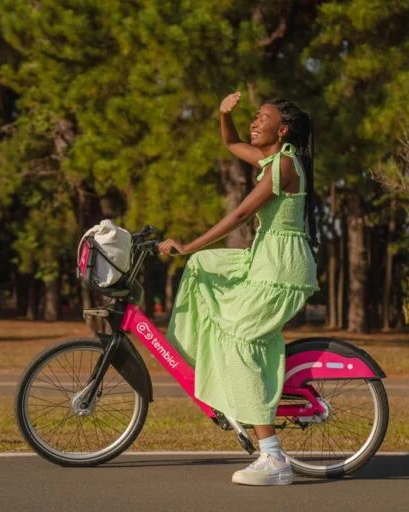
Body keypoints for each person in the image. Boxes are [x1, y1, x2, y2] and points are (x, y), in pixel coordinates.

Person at [158, 91, 319, 486]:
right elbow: (230, 144)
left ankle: (273, 457)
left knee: (240, 339)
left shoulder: (284, 164)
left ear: (282, 130)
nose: (254, 122)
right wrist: (222, 114)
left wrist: (190, 243)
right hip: (264, 259)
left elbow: (243, 212)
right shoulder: (270, 161)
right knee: (202, 268)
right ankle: (218, 374)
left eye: (262, 118)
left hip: (281, 268)